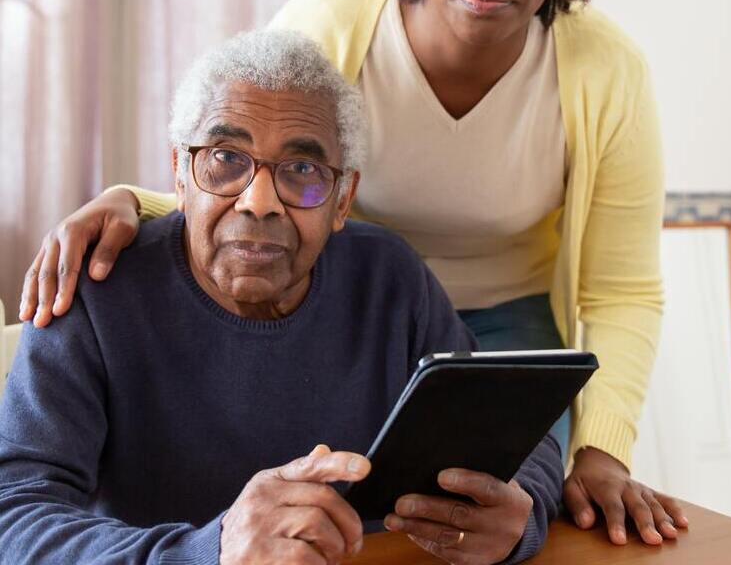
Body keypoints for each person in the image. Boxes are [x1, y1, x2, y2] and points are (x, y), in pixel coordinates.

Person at [18, 0, 687, 545]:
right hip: (353, 305)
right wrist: (129, 202)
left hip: (503, 323)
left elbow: (623, 288)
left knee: (499, 521)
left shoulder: (608, 71)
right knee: (329, 513)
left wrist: (598, 455)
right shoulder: (335, 23)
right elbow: (250, 154)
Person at [0, 30, 562, 565]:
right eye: (224, 158)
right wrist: (211, 551)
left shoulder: (389, 279)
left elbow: (518, 436)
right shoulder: (93, 288)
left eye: (301, 170)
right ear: (178, 173)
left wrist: (521, 517)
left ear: (343, 200)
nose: (259, 201)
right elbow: (14, 515)